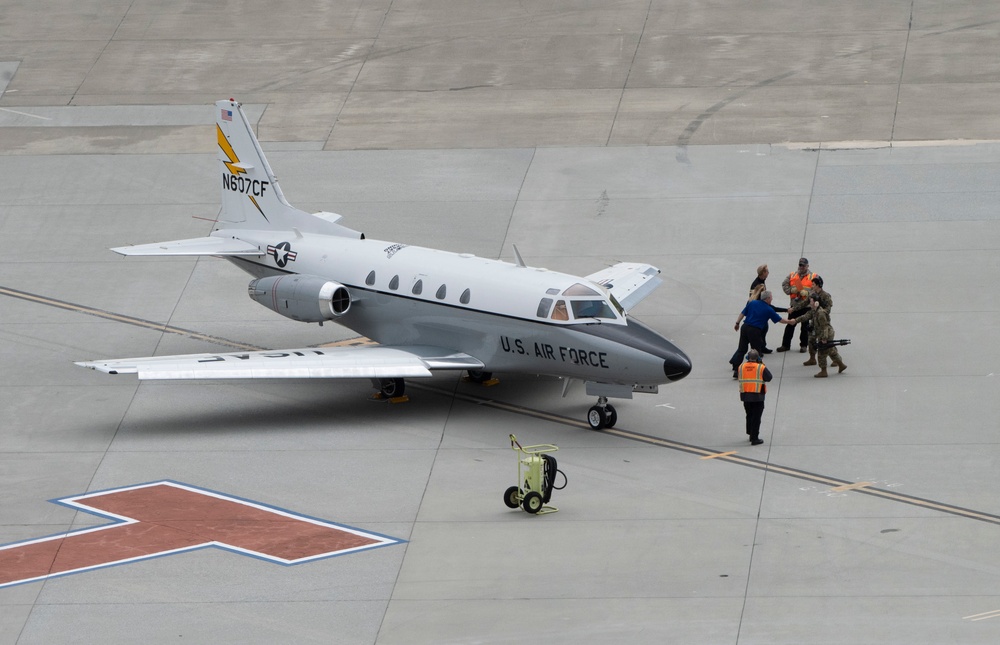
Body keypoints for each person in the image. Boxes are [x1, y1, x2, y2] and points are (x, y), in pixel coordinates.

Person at [730, 290, 796, 378]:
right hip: (755, 330)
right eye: (771, 297)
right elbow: (780, 320)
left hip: (744, 327)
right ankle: (758, 370)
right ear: (768, 298)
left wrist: (737, 323)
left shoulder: (752, 303)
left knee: (742, 349)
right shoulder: (768, 309)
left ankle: (736, 370)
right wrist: (790, 322)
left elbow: (743, 313)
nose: (772, 299)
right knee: (756, 351)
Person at [777, 257, 817, 353]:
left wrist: (807, 294)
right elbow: (784, 285)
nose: (801, 267)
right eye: (800, 265)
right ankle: (785, 345)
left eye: (803, 265)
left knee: (805, 326)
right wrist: (791, 290)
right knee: (790, 324)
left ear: (807, 266)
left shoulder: (813, 277)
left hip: (806, 306)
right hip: (794, 305)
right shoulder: (792, 275)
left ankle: (803, 345)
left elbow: (817, 289)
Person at [794, 275, 833, 366]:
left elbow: (828, 309)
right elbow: (804, 303)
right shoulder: (812, 294)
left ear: (818, 285)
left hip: (823, 321)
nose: (812, 286)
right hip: (814, 321)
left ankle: (835, 357)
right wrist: (794, 309)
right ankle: (812, 358)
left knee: (826, 341)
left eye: (814, 284)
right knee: (811, 339)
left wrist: (820, 312)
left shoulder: (826, 296)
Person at [748, 264, 785, 353]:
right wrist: (785, 310)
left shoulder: (761, 281)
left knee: (764, 328)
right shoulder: (757, 284)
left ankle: (762, 347)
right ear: (763, 273)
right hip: (757, 312)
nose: (768, 273)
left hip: (759, 309)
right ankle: (758, 350)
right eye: (767, 271)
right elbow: (763, 303)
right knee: (759, 330)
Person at [738, 349, 772, 445]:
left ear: (747, 358)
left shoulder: (741, 366)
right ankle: (754, 438)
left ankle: (750, 433)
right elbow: (769, 377)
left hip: (745, 395)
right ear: (758, 358)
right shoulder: (760, 367)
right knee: (756, 417)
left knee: (749, 414)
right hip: (757, 396)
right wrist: (761, 363)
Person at [809, 295, 847, 377]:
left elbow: (824, 326)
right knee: (831, 350)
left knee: (821, 352)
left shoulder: (820, 313)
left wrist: (824, 338)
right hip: (826, 333)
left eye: (811, 301)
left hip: (826, 334)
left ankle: (823, 371)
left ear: (816, 303)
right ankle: (841, 365)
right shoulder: (815, 311)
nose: (810, 302)